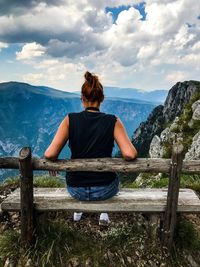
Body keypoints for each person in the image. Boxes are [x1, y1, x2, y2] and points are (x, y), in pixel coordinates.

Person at [44, 71, 138, 224]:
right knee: (113, 178)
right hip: (105, 189)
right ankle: (103, 213)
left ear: (82, 98)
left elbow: (50, 153)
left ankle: (79, 209)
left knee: (82, 182)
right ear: (101, 99)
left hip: (76, 189)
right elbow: (129, 154)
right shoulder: (112, 121)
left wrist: (51, 161)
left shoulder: (70, 120)